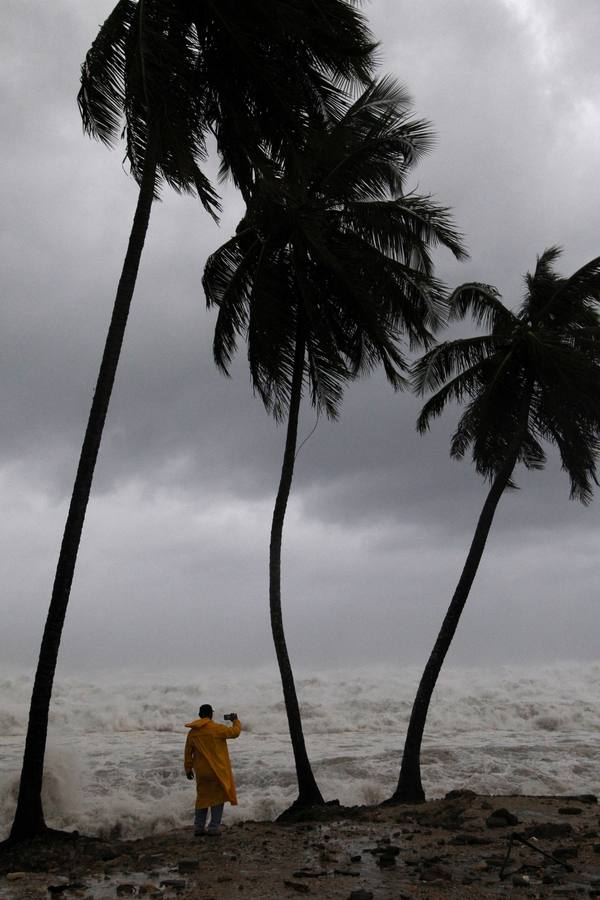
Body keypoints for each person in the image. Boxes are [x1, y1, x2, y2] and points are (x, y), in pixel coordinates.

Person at [184, 703, 241, 836]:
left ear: (199, 715)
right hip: (217, 771)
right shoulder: (217, 729)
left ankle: (199, 827)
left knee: (202, 798)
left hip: (201, 772)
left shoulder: (192, 733)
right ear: (211, 715)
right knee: (218, 798)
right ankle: (213, 827)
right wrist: (236, 721)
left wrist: (188, 769)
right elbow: (235, 733)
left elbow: (188, 752)